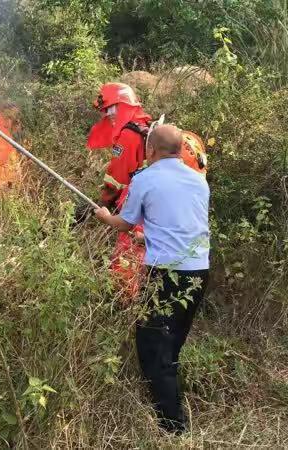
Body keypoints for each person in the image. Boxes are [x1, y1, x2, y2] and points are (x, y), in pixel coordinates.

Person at [94, 124, 210, 433]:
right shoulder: (199, 181)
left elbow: (124, 223)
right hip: (199, 271)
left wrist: (105, 216)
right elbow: (178, 226)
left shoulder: (145, 179)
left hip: (167, 274)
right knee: (171, 344)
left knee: (152, 343)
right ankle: (164, 396)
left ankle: (173, 427)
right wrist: (152, 239)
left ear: (152, 150)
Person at [86, 82, 208, 303]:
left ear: (118, 107)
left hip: (142, 201)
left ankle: (124, 300)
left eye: (109, 111)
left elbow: (118, 177)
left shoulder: (127, 135)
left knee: (128, 253)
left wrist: (104, 204)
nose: (108, 117)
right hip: (171, 215)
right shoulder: (145, 125)